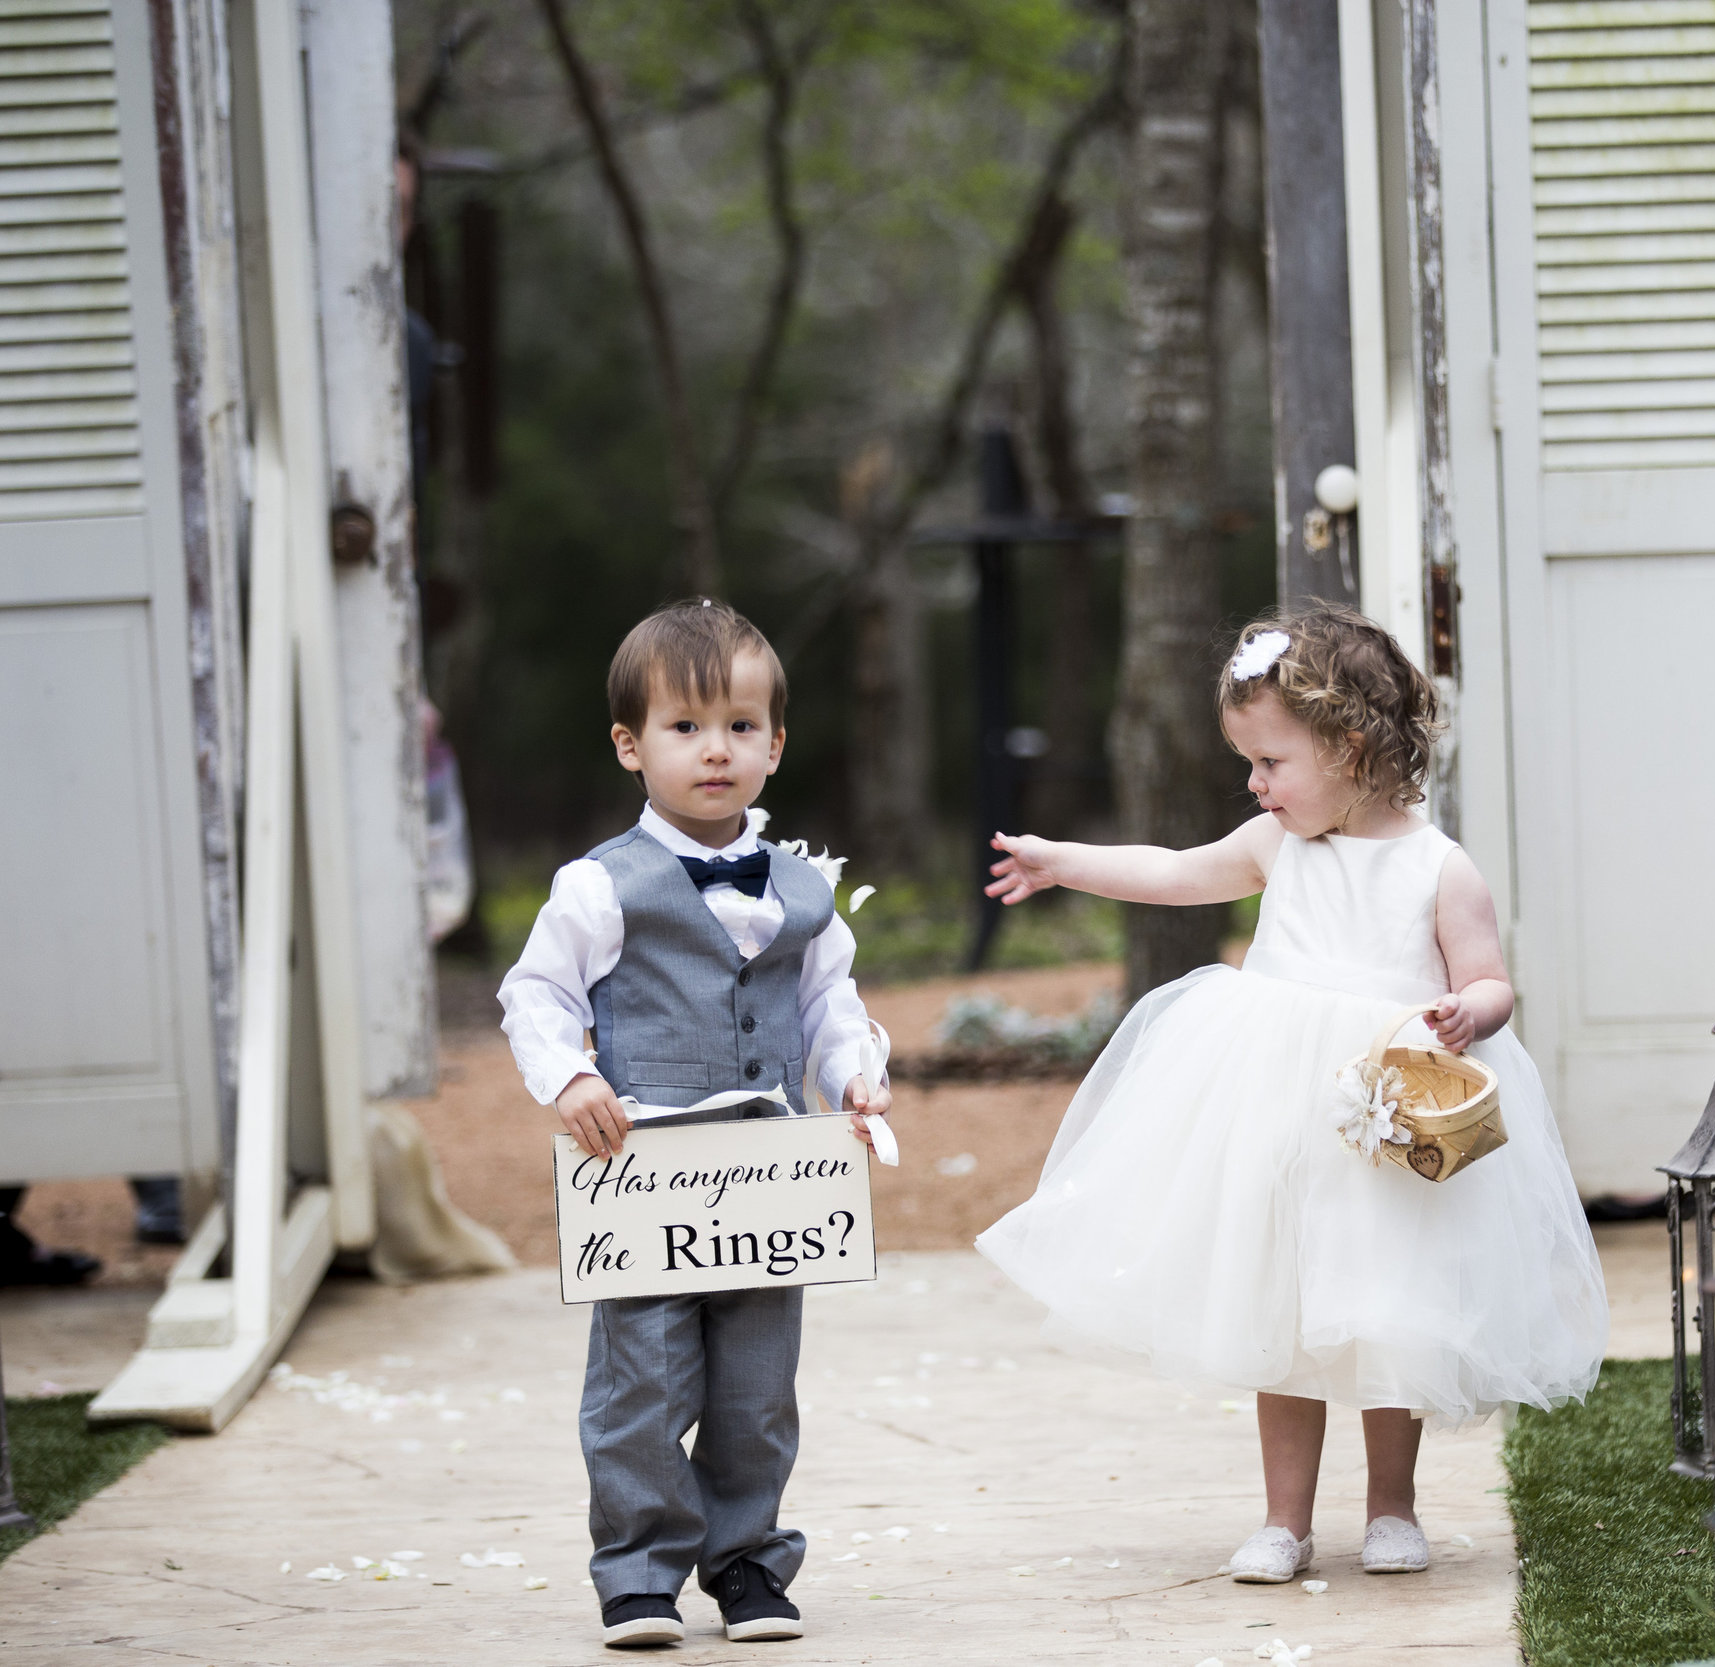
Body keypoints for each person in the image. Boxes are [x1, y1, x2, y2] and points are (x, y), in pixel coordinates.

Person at [975, 604, 1606, 1583]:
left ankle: (1392, 1507)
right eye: (1250, 763)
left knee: (1390, 1304)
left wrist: (1465, 1016)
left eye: (1270, 762)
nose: (1254, 784)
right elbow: (1177, 871)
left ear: (1349, 748)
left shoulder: (1438, 866)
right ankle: (1284, 1518)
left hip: (1389, 1118)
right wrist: (1064, 863)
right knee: (1281, 1311)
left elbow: (1490, 979)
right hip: (1279, 1113)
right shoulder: (1280, 848)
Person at [498, 598, 892, 1649]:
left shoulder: (805, 889)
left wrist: (854, 1073)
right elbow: (535, 993)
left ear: (774, 742)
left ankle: (752, 1562)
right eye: (684, 727)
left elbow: (829, 1007)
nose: (714, 749)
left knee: (758, 1388)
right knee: (642, 1378)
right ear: (631, 746)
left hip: (771, 1169)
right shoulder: (599, 885)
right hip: (642, 1168)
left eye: (740, 726)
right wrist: (571, 1074)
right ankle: (637, 1573)